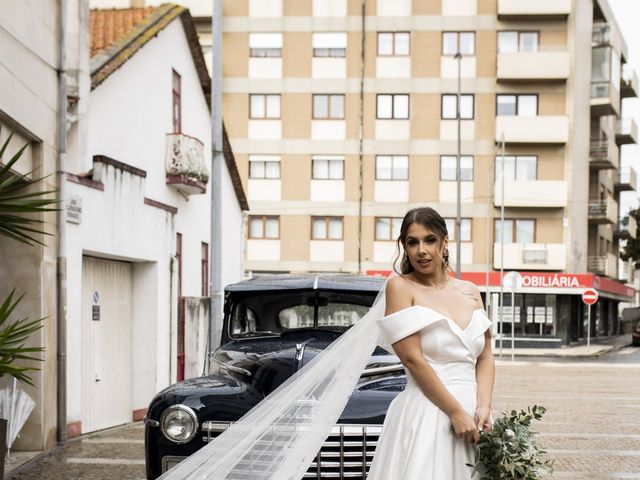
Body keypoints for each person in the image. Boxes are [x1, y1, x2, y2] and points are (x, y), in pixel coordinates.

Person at [367, 207, 495, 479]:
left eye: (429, 240)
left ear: (444, 242)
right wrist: (454, 412)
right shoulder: (401, 288)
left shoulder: (470, 290)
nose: (421, 250)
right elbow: (413, 360)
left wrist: (483, 406)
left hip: (473, 414)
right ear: (404, 247)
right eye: (412, 242)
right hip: (429, 411)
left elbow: (485, 357)